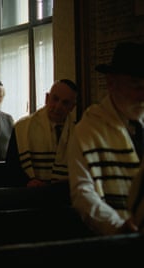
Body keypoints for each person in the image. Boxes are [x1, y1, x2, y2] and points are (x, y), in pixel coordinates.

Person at [68, 41, 144, 235]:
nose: (142, 96)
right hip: (115, 240)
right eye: (136, 86)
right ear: (111, 83)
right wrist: (116, 225)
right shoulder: (88, 130)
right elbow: (83, 192)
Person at [5, 79, 79, 187]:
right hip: (30, 194)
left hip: (65, 194)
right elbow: (11, 167)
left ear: (72, 107)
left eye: (65, 103)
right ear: (47, 98)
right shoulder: (22, 128)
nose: (58, 106)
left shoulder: (78, 131)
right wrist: (27, 181)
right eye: (55, 99)